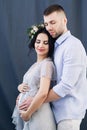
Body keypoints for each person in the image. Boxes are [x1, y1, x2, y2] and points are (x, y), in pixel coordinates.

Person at [19, 4, 87, 130]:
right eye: (46, 24)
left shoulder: (73, 45)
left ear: (64, 21)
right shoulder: (57, 46)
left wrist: (35, 100)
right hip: (55, 111)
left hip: (68, 113)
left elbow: (66, 85)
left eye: (52, 22)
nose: (49, 27)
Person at [12, 26, 56, 130]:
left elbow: (43, 92)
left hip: (39, 113)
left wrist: (27, 114)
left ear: (50, 46)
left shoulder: (46, 64)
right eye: (38, 41)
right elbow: (31, 83)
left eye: (45, 43)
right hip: (31, 114)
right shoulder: (36, 65)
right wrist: (20, 88)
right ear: (34, 43)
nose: (40, 45)